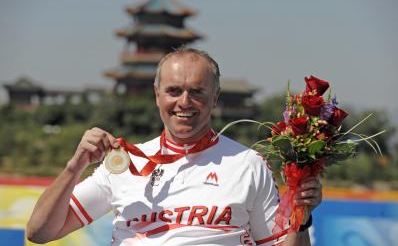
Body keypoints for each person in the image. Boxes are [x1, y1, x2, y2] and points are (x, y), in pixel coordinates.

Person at [27, 48, 322, 246]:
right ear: (157, 96)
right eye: (173, 91)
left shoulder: (248, 164)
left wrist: (301, 213)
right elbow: (40, 232)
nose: (184, 102)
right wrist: (75, 165)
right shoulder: (123, 162)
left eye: (196, 92)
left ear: (215, 97)